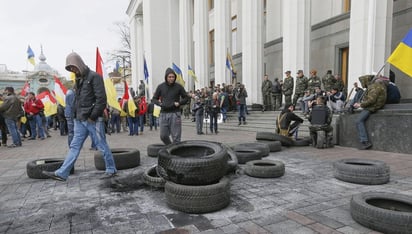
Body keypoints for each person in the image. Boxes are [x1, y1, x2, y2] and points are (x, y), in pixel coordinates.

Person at [42, 52, 117, 181]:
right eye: (70, 69)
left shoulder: (95, 77)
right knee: (74, 146)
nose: (72, 70)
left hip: (93, 120)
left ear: (79, 64)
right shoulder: (78, 79)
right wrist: (75, 116)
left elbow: (101, 99)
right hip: (79, 119)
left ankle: (111, 169)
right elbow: (77, 100)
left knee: (101, 145)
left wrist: (92, 117)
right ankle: (62, 173)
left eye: (73, 67)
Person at [152, 67, 190, 145]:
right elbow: (154, 99)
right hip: (163, 114)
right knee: (163, 136)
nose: (171, 78)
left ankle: (175, 155)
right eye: (169, 77)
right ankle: (170, 147)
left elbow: (186, 98)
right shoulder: (160, 87)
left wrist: (179, 103)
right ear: (166, 77)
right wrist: (160, 104)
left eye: (173, 77)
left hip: (175, 114)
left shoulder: (178, 86)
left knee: (176, 138)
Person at [353, 75, 387, 150]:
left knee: (359, 121)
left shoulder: (374, 87)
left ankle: (365, 142)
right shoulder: (377, 86)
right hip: (373, 106)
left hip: (372, 107)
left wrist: (360, 104)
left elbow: (371, 100)